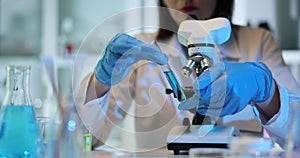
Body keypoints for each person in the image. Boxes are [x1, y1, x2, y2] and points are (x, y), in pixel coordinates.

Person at [77, 0, 300, 151]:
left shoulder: (258, 42)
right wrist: (101, 81)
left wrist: (267, 91)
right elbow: (86, 141)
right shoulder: (140, 49)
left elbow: (298, 137)